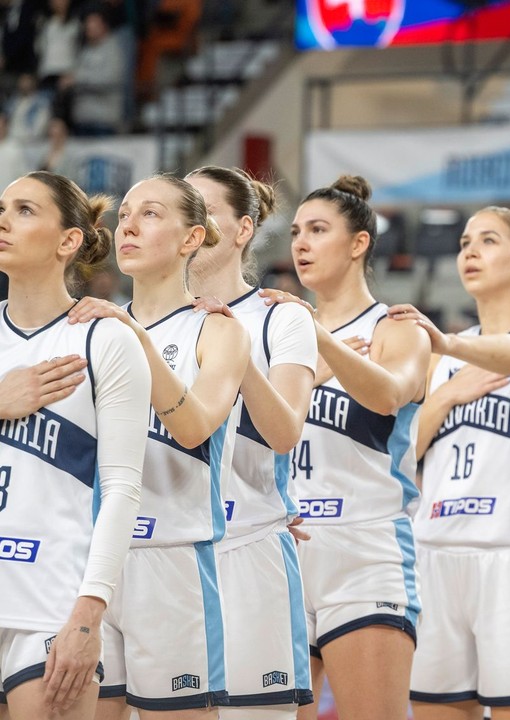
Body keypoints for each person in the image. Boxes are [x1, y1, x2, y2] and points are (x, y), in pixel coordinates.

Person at [389, 206, 510, 719]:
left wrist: (455, 343)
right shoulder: (441, 362)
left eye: (488, 241)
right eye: (463, 243)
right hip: (434, 555)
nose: (470, 251)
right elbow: (405, 454)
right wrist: (445, 395)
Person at [68, 174, 250, 719]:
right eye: (125, 213)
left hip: (174, 560)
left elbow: (194, 428)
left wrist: (136, 339)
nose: (128, 224)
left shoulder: (217, 329)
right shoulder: (89, 329)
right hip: (92, 561)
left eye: (149, 214)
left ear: (192, 238)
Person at [270, 175, 431, 720]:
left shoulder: (396, 328)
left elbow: (387, 395)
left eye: (318, 230)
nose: (301, 244)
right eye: (296, 232)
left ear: (359, 243)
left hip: (364, 548)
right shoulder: (278, 334)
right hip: (283, 548)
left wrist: (318, 338)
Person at [0, 171, 150, 720]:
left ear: (68, 241)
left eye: (23, 210)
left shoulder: (102, 337)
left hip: (51, 602)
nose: (2, 219)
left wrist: (89, 614)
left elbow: (122, 490)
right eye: (1, 207)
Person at [185, 166, 318, 718]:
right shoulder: (129, 322)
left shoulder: (280, 317)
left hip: (247, 543)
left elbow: (285, 431)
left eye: (205, 210)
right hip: (152, 548)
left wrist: (233, 349)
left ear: (243, 229)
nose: (192, 225)